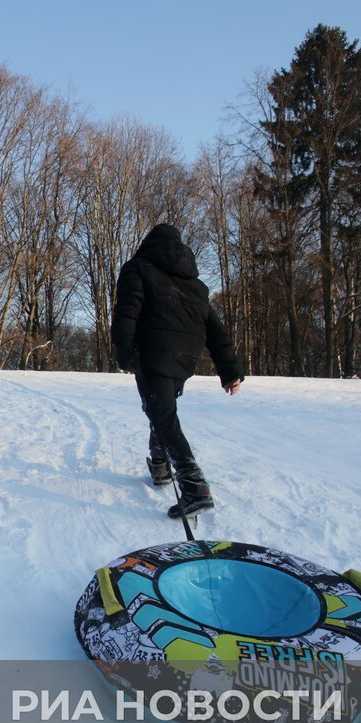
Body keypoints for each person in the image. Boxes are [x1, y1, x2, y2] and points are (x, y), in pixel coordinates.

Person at [112, 223, 243, 520]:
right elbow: (215, 330)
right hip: (185, 358)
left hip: (154, 351)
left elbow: (127, 310)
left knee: (163, 416)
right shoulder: (195, 285)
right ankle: (160, 466)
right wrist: (230, 369)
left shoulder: (137, 268)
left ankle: (194, 486)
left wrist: (123, 348)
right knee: (160, 409)